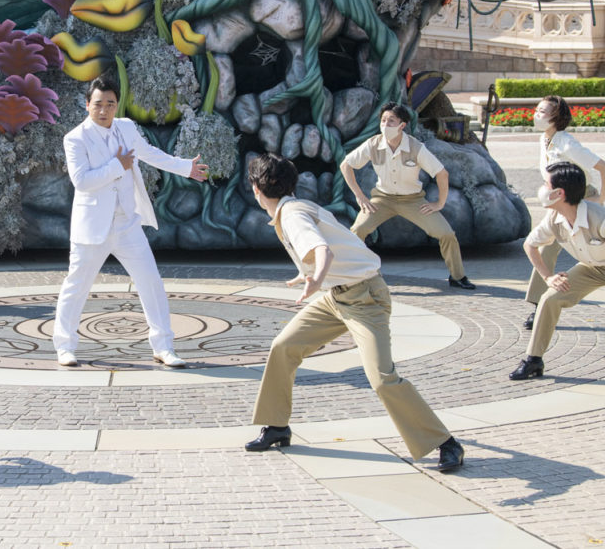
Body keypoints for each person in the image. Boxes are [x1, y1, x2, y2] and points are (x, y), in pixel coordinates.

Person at [245, 153, 464, 472]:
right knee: (284, 346)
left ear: (256, 189)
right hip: (337, 297)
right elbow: (332, 247)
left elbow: (323, 249)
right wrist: (312, 277)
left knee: (382, 379)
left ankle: (445, 443)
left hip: (365, 299)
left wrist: (315, 278)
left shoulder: (292, 215)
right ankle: (277, 426)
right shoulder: (297, 207)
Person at [52, 76, 209, 368]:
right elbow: (82, 181)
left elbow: (150, 154)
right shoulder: (75, 138)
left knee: (151, 281)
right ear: (87, 105)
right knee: (76, 285)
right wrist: (117, 166)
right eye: (98, 104)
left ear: (117, 105)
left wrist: (186, 167)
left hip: (127, 223)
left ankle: (163, 346)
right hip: (92, 227)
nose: (104, 110)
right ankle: (65, 346)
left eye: (110, 104)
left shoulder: (126, 127)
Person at [341, 102, 475, 291]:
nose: (385, 125)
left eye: (391, 121)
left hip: (413, 200)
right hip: (382, 199)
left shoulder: (416, 147)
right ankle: (351, 276)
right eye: (383, 120)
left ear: (402, 126)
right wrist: (360, 196)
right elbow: (346, 166)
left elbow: (441, 173)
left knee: (446, 234)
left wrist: (439, 203)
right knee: (357, 231)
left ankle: (458, 276)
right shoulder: (373, 144)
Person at [510, 162, 605, 380]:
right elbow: (530, 245)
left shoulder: (600, 218)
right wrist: (548, 277)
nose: (542, 189)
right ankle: (533, 360)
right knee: (549, 298)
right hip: (591, 268)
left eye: (545, 184)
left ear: (559, 193)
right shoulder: (554, 219)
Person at [521, 95, 605, 330]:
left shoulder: (567, 143)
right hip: (559, 199)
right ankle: (539, 305)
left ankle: (541, 305)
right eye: (537, 109)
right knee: (544, 247)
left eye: (543, 111)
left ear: (556, 117)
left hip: (580, 199)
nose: (537, 114)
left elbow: (602, 167)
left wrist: (598, 202)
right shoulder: (544, 139)